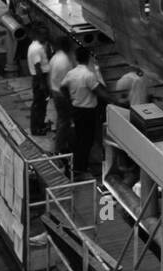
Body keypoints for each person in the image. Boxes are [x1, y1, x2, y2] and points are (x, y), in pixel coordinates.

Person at [61, 46, 106, 176]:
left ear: (76, 58)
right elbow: (99, 92)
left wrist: (69, 99)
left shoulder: (72, 73)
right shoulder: (89, 75)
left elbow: (63, 87)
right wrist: (115, 101)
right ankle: (81, 167)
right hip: (88, 112)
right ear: (88, 58)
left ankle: (78, 165)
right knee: (87, 140)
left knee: (79, 138)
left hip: (76, 110)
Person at [48, 35, 75, 154]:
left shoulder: (55, 57)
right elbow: (66, 84)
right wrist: (70, 99)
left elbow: (49, 76)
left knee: (61, 120)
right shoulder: (65, 61)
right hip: (62, 95)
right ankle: (59, 148)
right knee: (65, 122)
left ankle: (60, 144)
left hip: (55, 91)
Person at [27, 25, 51, 136]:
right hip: (39, 78)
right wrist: (43, 83)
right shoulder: (36, 48)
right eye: (44, 35)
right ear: (38, 35)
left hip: (42, 77)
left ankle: (40, 125)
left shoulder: (38, 46)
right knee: (39, 104)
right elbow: (38, 67)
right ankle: (36, 128)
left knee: (42, 104)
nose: (46, 37)